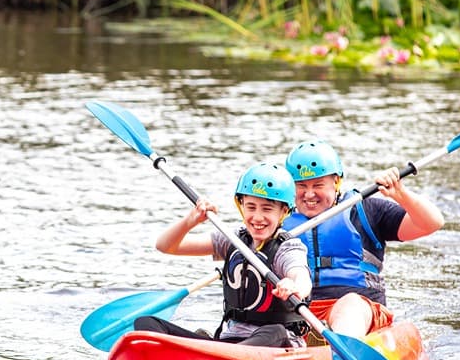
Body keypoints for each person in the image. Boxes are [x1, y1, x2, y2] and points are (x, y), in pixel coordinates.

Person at [134, 162, 313, 347]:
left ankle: (219, 358)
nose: (257, 217)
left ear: (284, 211)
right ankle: (213, 357)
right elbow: (165, 246)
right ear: (241, 206)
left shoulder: (288, 248)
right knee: (146, 324)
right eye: (251, 207)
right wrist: (190, 221)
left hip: (275, 345)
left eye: (267, 209)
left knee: (275, 331)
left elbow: (301, 276)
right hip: (228, 343)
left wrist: (294, 286)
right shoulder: (232, 239)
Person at [283, 139, 444, 340]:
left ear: (336, 182)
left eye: (318, 185)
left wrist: (400, 194)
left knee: (350, 305)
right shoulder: (276, 221)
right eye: (300, 186)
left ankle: (345, 350)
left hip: (360, 311)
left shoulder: (365, 211)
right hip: (298, 312)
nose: (309, 194)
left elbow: (432, 223)